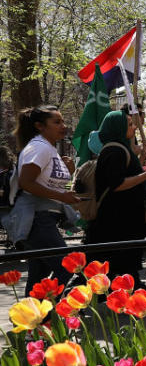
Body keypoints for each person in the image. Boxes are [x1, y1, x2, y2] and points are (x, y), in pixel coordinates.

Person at [86, 110, 146, 291]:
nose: (135, 127)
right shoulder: (114, 151)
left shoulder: (120, 148)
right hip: (117, 218)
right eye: (129, 124)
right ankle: (123, 294)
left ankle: (132, 286)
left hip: (125, 216)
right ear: (117, 127)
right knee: (119, 257)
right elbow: (117, 184)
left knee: (128, 256)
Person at [5, 106, 80, 291]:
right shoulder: (40, 147)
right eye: (57, 122)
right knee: (67, 267)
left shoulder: (48, 148)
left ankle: (33, 318)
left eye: (63, 121)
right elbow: (26, 182)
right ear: (40, 126)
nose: (63, 126)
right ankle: (47, 314)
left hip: (43, 219)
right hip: (36, 219)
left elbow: (47, 184)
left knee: (38, 276)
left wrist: (68, 173)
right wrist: (62, 196)